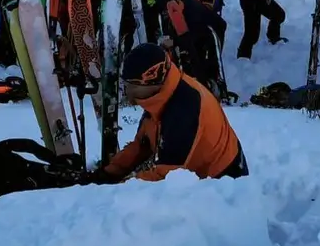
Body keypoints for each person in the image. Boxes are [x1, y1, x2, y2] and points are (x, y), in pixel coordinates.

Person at [91, 43, 248, 182]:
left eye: (131, 86)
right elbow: (142, 145)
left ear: (152, 81)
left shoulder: (184, 109)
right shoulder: (162, 95)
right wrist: (108, 173)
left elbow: (166, 176)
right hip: (198, 176)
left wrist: (118, 189)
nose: (126, 93)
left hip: (225, 185)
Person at [162, 0, 228, 100]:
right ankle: (207, 86)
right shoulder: (181, 2)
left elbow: (186, 42)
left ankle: (214, 89)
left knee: (209, 61)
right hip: (203, 30)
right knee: (203, 60)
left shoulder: (172, 6)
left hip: (210, 30)